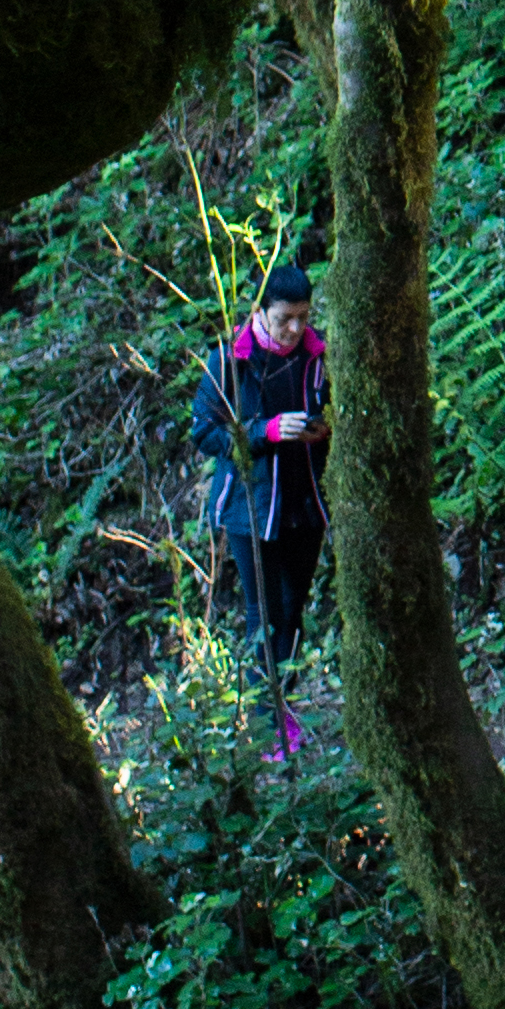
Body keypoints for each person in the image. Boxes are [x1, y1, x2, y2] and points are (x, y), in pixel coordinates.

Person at [191, 258, 328, 736]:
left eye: (303, 317)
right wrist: (265, 432)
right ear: (259, 312)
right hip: (250, 508)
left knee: (293, 609)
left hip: (304, 503)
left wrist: (321, 431)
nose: (294, 329)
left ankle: (281, 708)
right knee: (264, 615)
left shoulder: (318, 356)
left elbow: (333, 413)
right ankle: (268, 726)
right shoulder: (230, 359)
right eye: (284, 318)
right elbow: (205, 432)